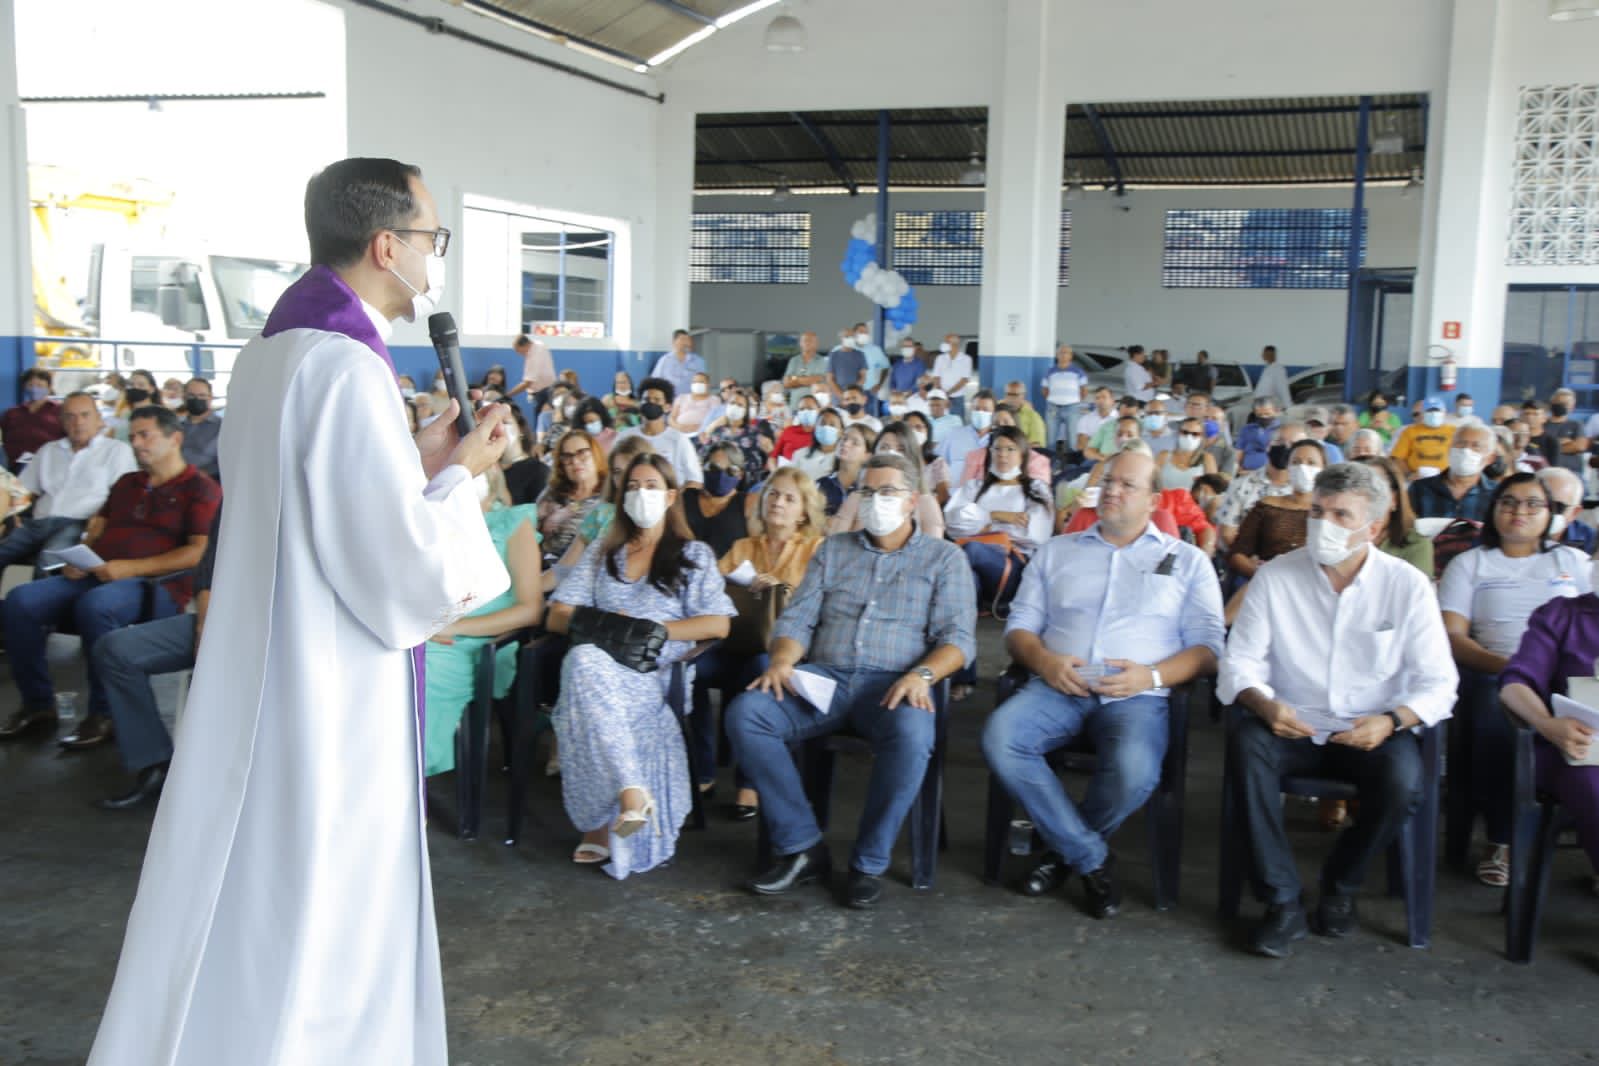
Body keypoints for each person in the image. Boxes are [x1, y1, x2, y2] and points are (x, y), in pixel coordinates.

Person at [84, 157, 516, 1066]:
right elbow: (396, 571)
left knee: (255, 877)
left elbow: (316, 508)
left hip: (264, 664)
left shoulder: (275, 353)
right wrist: (465, 478)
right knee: (329, 892)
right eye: (432, 238)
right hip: (332, 685)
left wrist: (421, 460)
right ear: (386, 245)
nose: (435, 258)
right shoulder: (350, 368)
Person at [1219, 462, 1458, 958]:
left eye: (1340, 515)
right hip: (1290, 722)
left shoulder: (1405, 585)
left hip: (1369, 728)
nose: (1323, 525)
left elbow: (1440, 682)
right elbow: (1239, 660)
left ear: (1372, 527)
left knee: (1404, 780)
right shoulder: (1277, 577)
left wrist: (1392, 721)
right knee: (1246, 746)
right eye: (1317, 512)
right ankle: (1281, 900)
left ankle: (1342, 883)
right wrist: (1263, 704)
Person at [728, 453, 977, 909]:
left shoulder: (944, 559)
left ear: (912, 502)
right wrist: (783, 661)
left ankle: (868, 862)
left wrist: (923, 674)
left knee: (912, 732)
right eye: (866, 492)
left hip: (894, 684)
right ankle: (802, 845)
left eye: (887, 493)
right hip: (825, 678)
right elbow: (797, 620)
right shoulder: (834, 550)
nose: (874, 502)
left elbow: (958, 639)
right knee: (749, 713)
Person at [984, 447, 1225, 917]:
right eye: (1108, 481)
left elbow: (1209, 650)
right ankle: (1090, 857)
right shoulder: (1058, 552)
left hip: (1136, 694)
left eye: (1127, 484)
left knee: (1134, 770)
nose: (1112, 490)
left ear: (1155, 500)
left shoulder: (1187, 561)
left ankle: (1060, 851)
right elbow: (1019, 628)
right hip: (1059, 683)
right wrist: (1045, 662)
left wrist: (1151, 676)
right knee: (1001, 737)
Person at [546, 453, 734, 877]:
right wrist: (611, 625)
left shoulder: (693, 554)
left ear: (670, 495)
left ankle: (600, 823)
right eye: (632, 486)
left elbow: (718, 623)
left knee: (582, 667)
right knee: (586, 662)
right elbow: (557, 613)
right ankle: (632, 792)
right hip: (597, 666)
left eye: (650, 486)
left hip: (653, 675)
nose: (640, 494)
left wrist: (654, 628)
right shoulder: (604, 552)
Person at [0, 404, 220, 752]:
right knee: (20, 601)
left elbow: (198, 552)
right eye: (132, 436)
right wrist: (82, 557)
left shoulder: (200, 488)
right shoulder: (127, 483)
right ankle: (38, 704)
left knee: (97, 606)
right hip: (99, 574)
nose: (136, 443)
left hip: (154, 586)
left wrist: (129, 568)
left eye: (145, 435)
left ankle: (104, 714)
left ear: (175, 438)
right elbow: (96, 529)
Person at [1439, 472, 1590, 887]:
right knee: (1494, 704)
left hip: (1569, 679)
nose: (1519, 511)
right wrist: (1509, 669)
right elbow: (1453, 636)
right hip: (1496, 671)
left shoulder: (1570, 561)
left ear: (1550, 514)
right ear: (1493, 509)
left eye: (1532, 504)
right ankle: (1501, 838)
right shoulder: (1471, 563)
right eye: (1508, 502)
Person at [694, 467, 829, 819]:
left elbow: (820, 605)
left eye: (788, 498)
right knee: (688, 670)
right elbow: (712, 591)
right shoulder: (743, 546)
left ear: (803, 510)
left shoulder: (816, 549)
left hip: (785, 651)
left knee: (759, 672)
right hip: (736, 641)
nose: (777, 503)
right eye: (772, 494)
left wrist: (779, 589)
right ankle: (702, 769)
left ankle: (749, 783)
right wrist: (740, 585)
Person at [91, 506, 223, 809]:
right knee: (116, 649)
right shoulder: (239, 493)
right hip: (227, 618)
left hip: (292, 630)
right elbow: (209, 567)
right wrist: (206, 622)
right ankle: (154, 765)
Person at [424, 470, 544, 775]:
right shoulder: (429, 518)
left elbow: (530, 609)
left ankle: (408, 782)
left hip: (477, 642)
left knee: (421, 675)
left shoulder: (513, 523)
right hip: (424, 630)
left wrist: (455, 627)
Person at [1499, 591, 1599, 898]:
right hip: (1577, 749)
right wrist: (1546, 724)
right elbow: (1515, 685)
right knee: (1591, 783)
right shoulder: (1562, 615)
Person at [2, 392, 136, 569]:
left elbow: (122, 498)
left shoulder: (117, 451)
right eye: (70, 416)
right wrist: (11, 516)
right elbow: (24, 490)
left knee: (48, 561)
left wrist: (97, 525)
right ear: (62, 421)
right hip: (37, 523)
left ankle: (33, 597)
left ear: (98, 418)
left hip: (79, 523)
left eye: (85, 415)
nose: (78, 422)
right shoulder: (49, 450)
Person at [944, 427, 1054, 612]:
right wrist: (996, 516)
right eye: (997, 449)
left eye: (1010, 449)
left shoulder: (1036, 489)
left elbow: (1035, 534)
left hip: (1013, 566)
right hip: (974, 566)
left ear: (1022, 455)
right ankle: (967, 612)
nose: (1003, 455)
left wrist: (980, 525)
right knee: (969, 573)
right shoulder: (974, 487)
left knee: (971, 550)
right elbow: (953, 523)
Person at [1228, 440, 1325, 580]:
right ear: (1288, 468)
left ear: (1324, 468)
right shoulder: (1267, 506)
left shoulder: (1330, 513)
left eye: (1311, 463)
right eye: (1296, 462)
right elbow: (1237, 554)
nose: (1303, 468)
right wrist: (1262, 575)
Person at [829, 422, 946, 538]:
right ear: (874, 454)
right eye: (884, 447)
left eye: (900, 449)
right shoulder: (857, 497)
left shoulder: (925, 502)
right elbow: (835, 541)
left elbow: (933, 550)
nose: (891, 453)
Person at [1215, 421, 1311, 547]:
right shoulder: (1242, 485)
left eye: (1294, 445)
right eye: (1280, 442)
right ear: (1268, 446)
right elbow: (1228, 534)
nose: (1286, 448)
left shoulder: (1311, 490)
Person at [613, 377, 704, 490]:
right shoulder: (625, 437)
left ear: (667, 407)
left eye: (656, 400)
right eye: (646, 399)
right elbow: (613, 472)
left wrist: (673, 499)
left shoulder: (678, 439)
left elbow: (695, 480)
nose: (650, 403)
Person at [536, 429, 608, 564]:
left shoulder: (610, 494)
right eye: (567, 457)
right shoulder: (553, 492)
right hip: (546, 566)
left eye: (582, 453)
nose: (575, 461)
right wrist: (544, 525)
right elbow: (530, 535)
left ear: (596, 455)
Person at [1355, 456, 1434, 575]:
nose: (1363, 497)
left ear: (1394, 499)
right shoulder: (1331, 538)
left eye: (1374, 489)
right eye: (1355, 488)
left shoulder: (1416, 546)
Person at [1408, 422, 1500, 522]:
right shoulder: (1420, 488)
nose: (1466, 450)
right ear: (1449, 449)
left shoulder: (1497, 494)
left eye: (1476, 446)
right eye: (1460, 443)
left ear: (1491, 458)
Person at [683, 442, 751, 556]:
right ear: (703, 467)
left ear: (740, 475)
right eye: (713, 468)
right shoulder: (686, 498)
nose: (721, 475)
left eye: (730, 471)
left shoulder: (748, 504)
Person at [699, 387, 774, 483]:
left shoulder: (753, 433)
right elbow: (703, 455)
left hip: (743, 483)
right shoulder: (717, 431)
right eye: (732, 403)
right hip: (716, 479)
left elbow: (761, 461)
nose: (735, 407)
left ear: (745, 411)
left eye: (740, 405)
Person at [1, 366, 64, 468]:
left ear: (49, 387)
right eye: (30, 385)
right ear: (25, 387)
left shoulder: (61, 411)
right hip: (17, 464)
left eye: (40, 385)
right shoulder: (11, 413)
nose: (35, 389)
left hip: (50, 464)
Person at [817, 422, 876, 515]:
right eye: (844, 438)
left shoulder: (868, 490)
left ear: (867, 455)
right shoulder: (821, 484)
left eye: (855, 443)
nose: (845, 443)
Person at [1539, 465, 1597, 553]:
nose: (1544, 511)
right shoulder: (1514, 532)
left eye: (1556, 506)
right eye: (1534, 503)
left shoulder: (1591, 543)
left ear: (1574, 513)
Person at [1390, 397, 1454, 478]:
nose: (1434, 413)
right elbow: (1397, 458)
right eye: (1429, 410)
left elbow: (1459, 458)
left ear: (1444, 413)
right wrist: (1409, 474)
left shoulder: (1454, 432)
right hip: (1415, 478)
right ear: (1423, 413)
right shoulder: (1410, 431)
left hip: (1445, 478)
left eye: (1437, 410)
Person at [937, 390, 997, 473]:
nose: (980, 413)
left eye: (986, 410)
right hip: (954, 485)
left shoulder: (998, 438)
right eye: (976, 409)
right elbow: (937, 462)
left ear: (994, 413)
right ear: (971, 410)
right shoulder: (954, 434)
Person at [901, 410, 952, 504]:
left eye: (918, 427)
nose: (914, 432)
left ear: (927, 431)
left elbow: (944, 496)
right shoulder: (896, 462)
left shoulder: (937, 463)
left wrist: (921, 510)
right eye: (909, 428)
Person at [176, 378, 222, 480]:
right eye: (191, 395)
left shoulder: (222, 427)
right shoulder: (174, 426)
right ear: (184, 398)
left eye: (202, 395)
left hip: (209, 483)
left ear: (210, 398)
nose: (196, 399)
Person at [504, 333, 556, 411]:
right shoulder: (540, 345)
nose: (519, 354)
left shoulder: (534, 356)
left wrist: (507, 395)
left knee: (541, 418)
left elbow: (528, 382)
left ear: (524, 345)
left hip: (543, 393)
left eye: (518, 351)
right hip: (549, 389)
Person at [793, 408, 845, 482]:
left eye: (832, 425)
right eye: (822, 423)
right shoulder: (799, 454)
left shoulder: (844, 460)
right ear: (815, 428)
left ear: (841, 432)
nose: (826, 428)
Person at [651, 328, 706, 399]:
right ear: (674, 342)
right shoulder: (665, 360)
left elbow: (704, 382)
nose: (686, 343)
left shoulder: (698, 361)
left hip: (691, 402)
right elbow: (655, 382)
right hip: (671, 401)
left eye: (688, 340)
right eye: (683, 340)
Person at [1545, 388, 1588, 474]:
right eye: (1559, 402)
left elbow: (1580, 447)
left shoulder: (1576, 425)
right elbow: (1537, 446)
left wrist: (1551, 447)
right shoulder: (1542, 424)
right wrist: (1566, 443)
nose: (1561, 405)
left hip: (1572, 472)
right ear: (1552, 403)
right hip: (1546, 471)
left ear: (1572, 407)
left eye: (1566, 404)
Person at [783, 330, 829, 408]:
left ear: (816, 344)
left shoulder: (822, 361)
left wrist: (795, 379)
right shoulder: (794, 360)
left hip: (814, 406)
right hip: (795, 405)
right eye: (805, 340)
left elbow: (816, 379)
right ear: (800, 343)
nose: (807, 343)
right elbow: (786, 382)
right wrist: (807, 379)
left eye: (811, 341)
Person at [932, 335, 974, 413]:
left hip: (957, 398)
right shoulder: (940, 358)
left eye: (947, 342)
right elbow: (936, 377)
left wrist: (948, 393)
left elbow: (964, 380)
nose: (944, 344)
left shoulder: (966, 359)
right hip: (941, 397)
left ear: (955, 343)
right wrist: (942, 393)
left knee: (957, 421)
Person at [1236, 397, 1279, 472]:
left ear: (1275, 411)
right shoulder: (1247, 429)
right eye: (1260, 415)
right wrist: (1238, 468)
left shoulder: (1282, 430)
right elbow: (1239, 450)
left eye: (1267, 414)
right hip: (1246, 472)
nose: (1264, 417)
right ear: (1255, 414)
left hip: (1270, 473)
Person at [670, 371, 719, 435]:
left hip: (702, 433)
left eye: (701, 382)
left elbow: (715, 419)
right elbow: (671, 418)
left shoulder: (714, 399)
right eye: (694, 382)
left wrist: (697, 427)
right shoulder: (681, 397)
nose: (697, 384)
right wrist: (679, 427)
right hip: (679, 433)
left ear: (708, 384)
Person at [1002, 380, 1048, 448]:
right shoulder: (998, 410)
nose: (1011, 398)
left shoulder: (1033, 417)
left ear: (1023, 396)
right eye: (1008, 394)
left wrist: (1013, 450)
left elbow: (1037, 446)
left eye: (1015, 395)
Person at [774, 394, 820, 461]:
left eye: (810, 408)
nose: (805, 412)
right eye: (802, 409)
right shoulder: (789, 431)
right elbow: (773, 457)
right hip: (785, 469)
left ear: (818, 410)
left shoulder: (822, 435)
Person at [828, 325, 868, 400]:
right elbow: (830, 379)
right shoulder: (833, 355)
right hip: (837, 397)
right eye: (847, 336)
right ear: (841, 338)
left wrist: (851, 393)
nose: (850, 339)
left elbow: (863, 377)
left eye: (852, 337)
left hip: (855, 396)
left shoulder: (860, 355)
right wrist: (841, 396)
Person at [1073, 387, 1117, 456]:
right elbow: (1081, 444)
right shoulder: (1085, 419)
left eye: (1104, 397)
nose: (1100, 400)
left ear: (1112, 400)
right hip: (1090, 457)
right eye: (1097, 398)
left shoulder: (1120, 419)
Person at [1251, 344, 1291, 411]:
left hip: (1268, 406)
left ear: (1270, 354)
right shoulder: (1267, 368)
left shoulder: (1278, 369)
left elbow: (1283, 388)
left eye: (1264, 353)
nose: (1262, 355)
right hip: (1260, 405)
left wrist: (1288, 406)